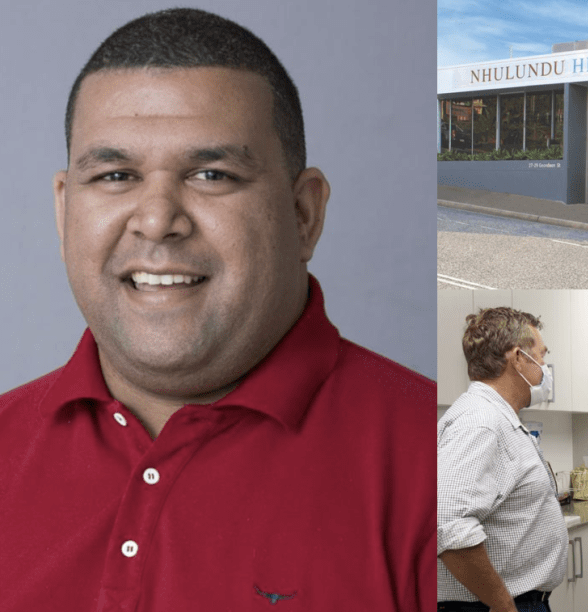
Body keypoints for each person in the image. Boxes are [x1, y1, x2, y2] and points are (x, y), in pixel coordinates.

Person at [0, 9, 435, 611]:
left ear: (303, 215)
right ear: (63, 208)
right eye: (116, 174)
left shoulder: (430, 464)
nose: (156, 219)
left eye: (211, 174)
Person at [437, 307, 568, 612]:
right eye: (542, 356)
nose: (545, 367)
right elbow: (447, 520)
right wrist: (502, 603)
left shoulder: (496, 417)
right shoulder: (480, 421)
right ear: (519, 358)